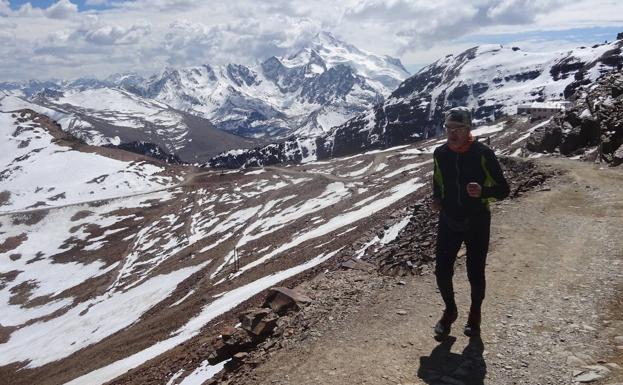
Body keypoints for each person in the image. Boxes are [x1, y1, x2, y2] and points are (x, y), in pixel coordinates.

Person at [431, 107, 510, 337]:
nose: (452, 133)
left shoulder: (482, 154)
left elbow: (504, 190)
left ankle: (475, 314)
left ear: (469, 130)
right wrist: (437, 198)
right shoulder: (440, 153)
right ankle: (451, 311)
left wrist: (483, 192)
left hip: (477, 221)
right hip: (448, 220)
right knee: (441, 272)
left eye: (458, 129)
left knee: (475, 272)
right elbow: (437, 179)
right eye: (449, 128)